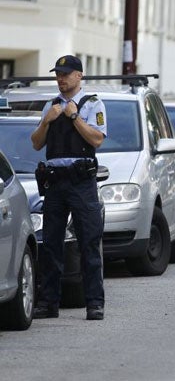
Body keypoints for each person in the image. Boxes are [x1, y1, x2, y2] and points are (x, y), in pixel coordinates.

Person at [31, 55, 107, 320]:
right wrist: (47, 121)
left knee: (88, 241)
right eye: (58, 74)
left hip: (80, 181)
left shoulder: (92, 105)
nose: (60, 78)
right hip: (55, 182)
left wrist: (74, 117)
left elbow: (97, 139)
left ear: (79, 76)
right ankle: (48, 303)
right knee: (51, 243)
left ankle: (94, 303)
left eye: (65, 73)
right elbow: (36, 143)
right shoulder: (50, 106)